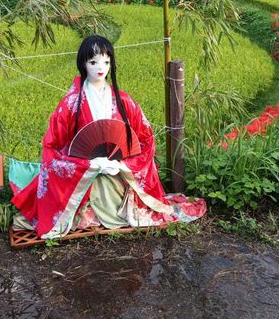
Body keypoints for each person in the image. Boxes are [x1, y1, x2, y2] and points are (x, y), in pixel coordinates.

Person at [11, 35, 206, 239]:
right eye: (93, 62)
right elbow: (52, 146)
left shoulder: (124, 101)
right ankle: (83, 212)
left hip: (118, 171)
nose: (100, 67)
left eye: (106, 61)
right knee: (77, 176)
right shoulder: (70, 104)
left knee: (112, 178)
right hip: (85, 172)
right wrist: (87, 164)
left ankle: (114, 206)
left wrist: (123, 164)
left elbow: (145, 139)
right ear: (83, 64)